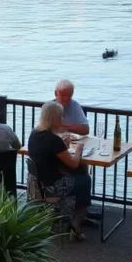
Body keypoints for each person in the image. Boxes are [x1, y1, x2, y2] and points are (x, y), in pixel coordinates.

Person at [28, 102, 91, 241]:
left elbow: (49, 155)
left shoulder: (34, 134)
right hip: (54, 187)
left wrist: (64, 145)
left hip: (39, 185)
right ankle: (76, 222)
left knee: (79, 176)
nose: (62, 119)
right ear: (55, 118)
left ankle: (71, 215)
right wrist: (79, 149)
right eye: (60, 117)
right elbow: (73, 164)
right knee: (85, 180)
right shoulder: (53, 140)